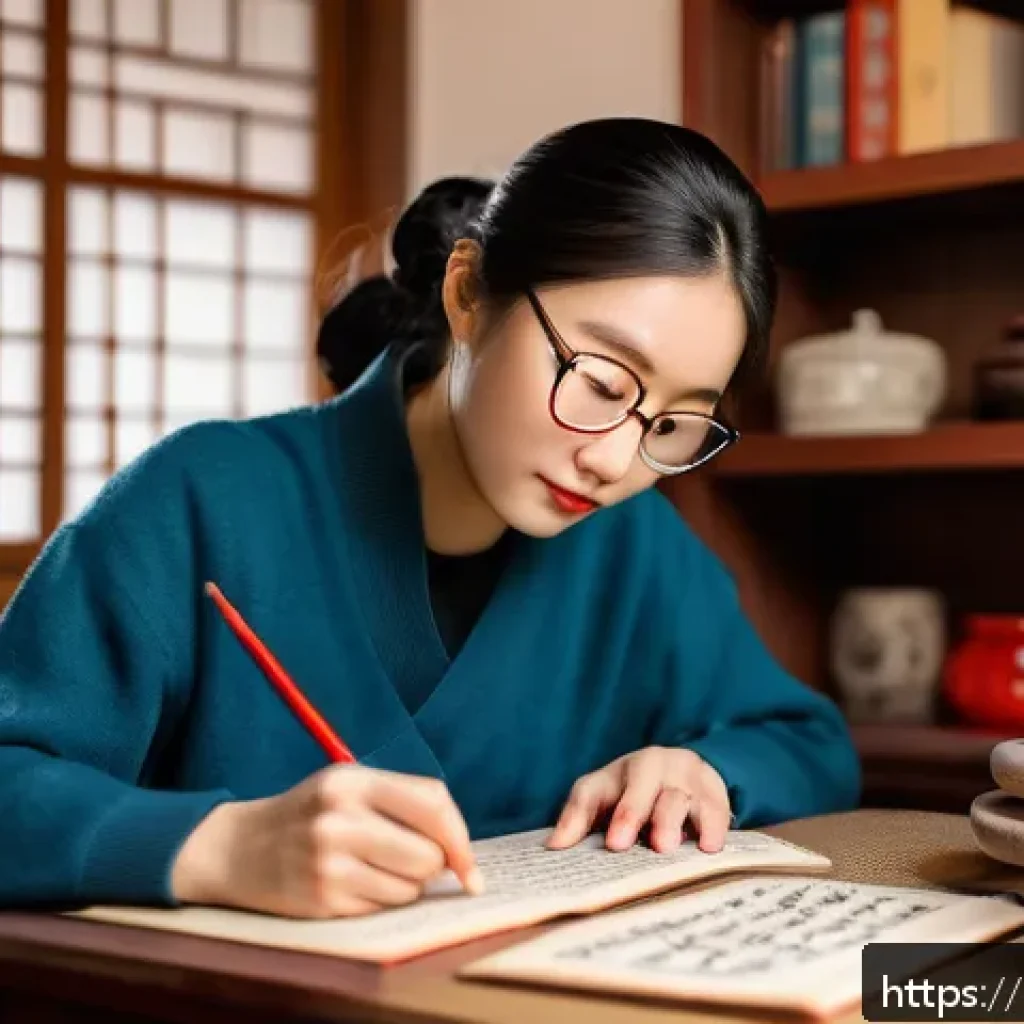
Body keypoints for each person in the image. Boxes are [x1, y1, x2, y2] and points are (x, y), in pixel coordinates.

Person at [0, 117, 860, 920]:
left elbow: (807, 742)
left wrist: (707, 771)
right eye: (599, 382)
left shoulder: (637, 549)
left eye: (673, 425)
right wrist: (214, 849)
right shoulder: (202, 498)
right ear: (466, 295)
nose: (613, 460)